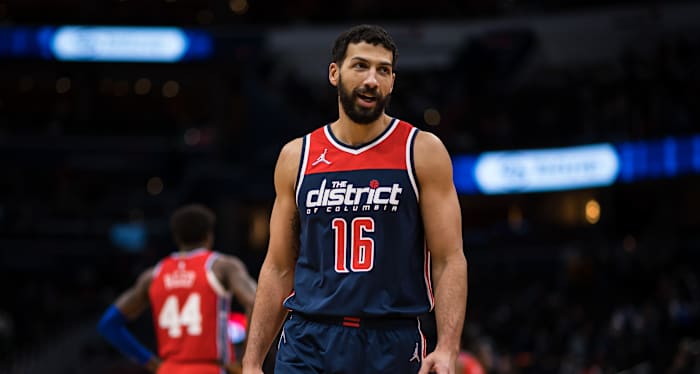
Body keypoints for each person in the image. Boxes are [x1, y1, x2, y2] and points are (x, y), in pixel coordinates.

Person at [242, 24, 468, 374]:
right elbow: (278, 266)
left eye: (383, 70)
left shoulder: (421, 150)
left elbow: (449, 258)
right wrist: (253, 360)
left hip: (390, 339)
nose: (372, 80)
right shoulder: (296, 156)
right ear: (335, 73)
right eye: (360, 66)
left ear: (393, 81)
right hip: (309, 338)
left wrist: (449, 347)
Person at [98, 203, 257, 374]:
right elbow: (257, 303)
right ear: (209, 235)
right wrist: (247, 361)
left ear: (176, 238)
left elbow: (108, 324)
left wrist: (151, 362)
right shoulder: (221, 266)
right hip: (209, 367)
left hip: (168, 369)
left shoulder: (153, 275)